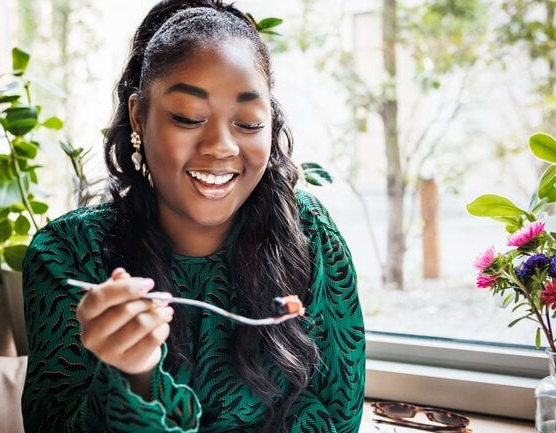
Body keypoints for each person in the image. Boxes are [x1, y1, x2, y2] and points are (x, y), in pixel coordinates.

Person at [21, 1, 365, 432]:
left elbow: (338, 415)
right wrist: (134, 377)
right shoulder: (66, 254)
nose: (221, 146)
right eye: (187, 117)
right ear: (138, 118)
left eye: (249, 123)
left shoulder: (310, 234)